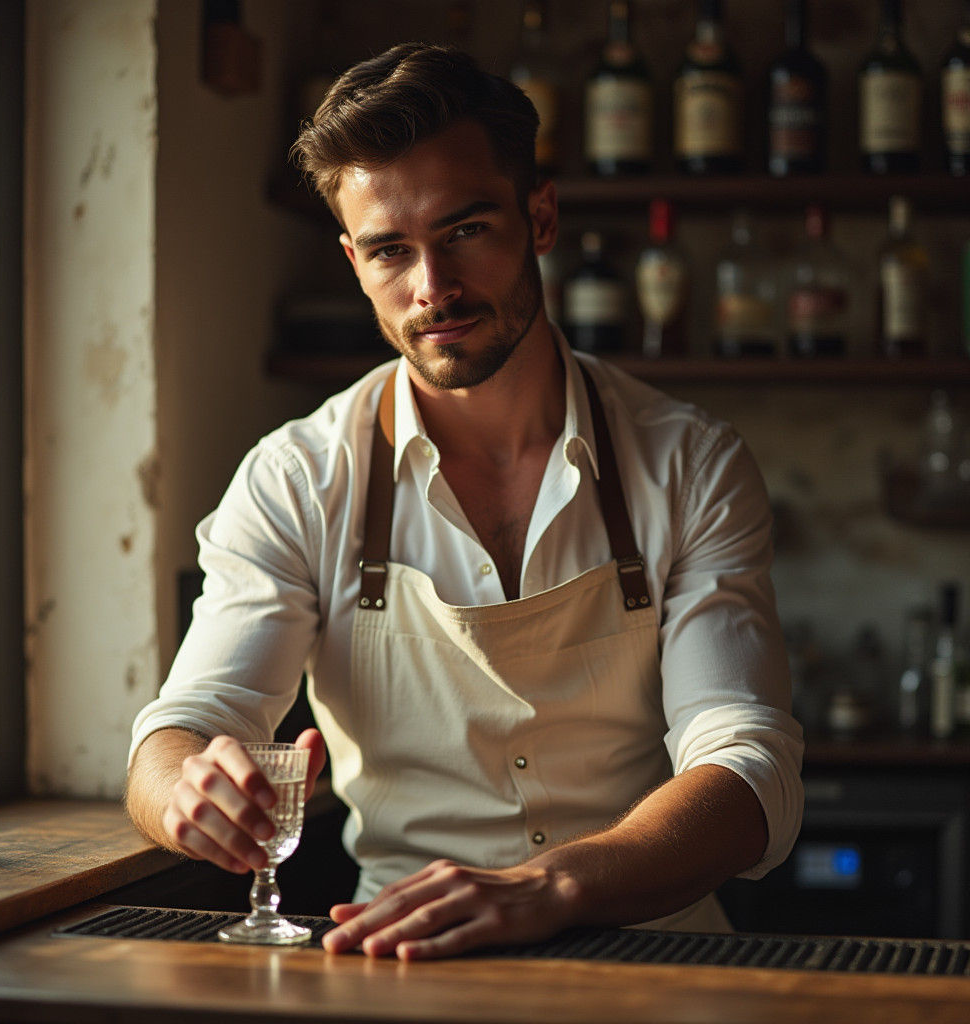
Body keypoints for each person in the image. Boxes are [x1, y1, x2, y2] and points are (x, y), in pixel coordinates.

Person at [126, 42, 803, 962]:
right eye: (390, 251)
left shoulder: (689, 462)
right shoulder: (298, 476)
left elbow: (747, 766)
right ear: (353, 261)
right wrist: (187, 793)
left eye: (466, 230)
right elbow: (185, 725)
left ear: (541, 214)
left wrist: (551, 887)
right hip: (398, 959)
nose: (432, 288)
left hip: (661, 958)